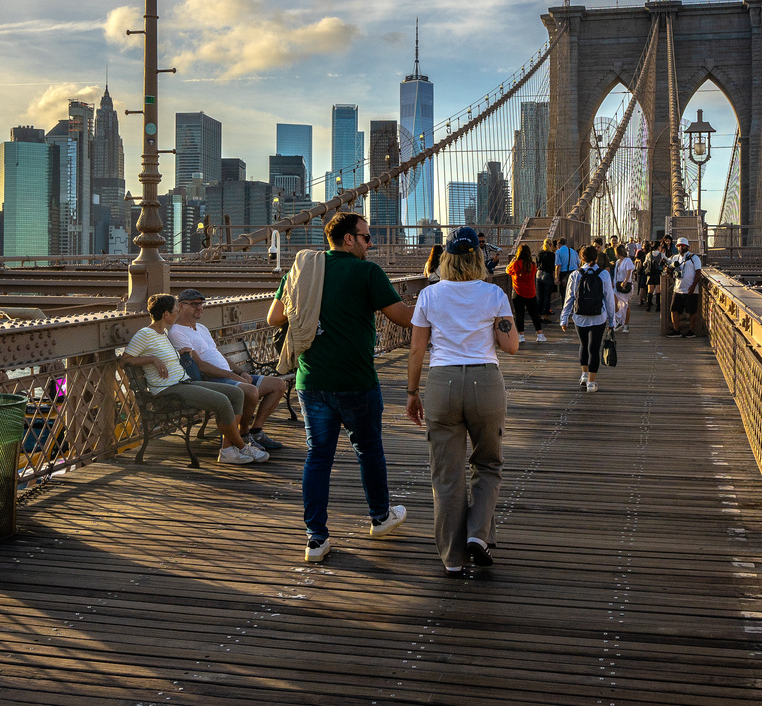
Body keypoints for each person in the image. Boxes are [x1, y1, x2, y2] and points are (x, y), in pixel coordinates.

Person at [268, 211, 415, 563]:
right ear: (349, 239)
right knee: (369, 450)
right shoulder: (367, 272)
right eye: (366, 237)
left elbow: (274, 318)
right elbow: (405, 319)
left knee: (318, 458)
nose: (370, 243)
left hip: (311, 381)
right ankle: (380, 518)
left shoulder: (301, 271)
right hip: (357, 381)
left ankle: (315, 539)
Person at [405, 226, 518, 576]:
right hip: (485, 381)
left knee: (447, 473)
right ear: (479, 258)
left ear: (446, 259)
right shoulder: (494, 294)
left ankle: (453, 558)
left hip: (443, 383)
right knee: (487, 464)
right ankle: (478, 534)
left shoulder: (429, 295)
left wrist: (412, 392)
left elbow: (417, 349)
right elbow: (511, 345)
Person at [121, 293, 267, 465]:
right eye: (175, 310)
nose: (177, 314)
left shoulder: (163, 334)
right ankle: (239, 448)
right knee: (221, 401)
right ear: (166, 314)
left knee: (236, 393)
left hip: (184, 382)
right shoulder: (145, 334)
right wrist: (151, 359)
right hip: (168, 389)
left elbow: (164, 354)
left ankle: (230, 448)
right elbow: (125, 360)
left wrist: (179, 353)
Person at [169, 288, 288, 452]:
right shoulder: (177, 332)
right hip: (212, 380)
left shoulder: (201, 328)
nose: (200, 308)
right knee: (251, 391)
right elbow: (201, 366)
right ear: (181, 306)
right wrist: (234, 376)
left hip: (229, 375)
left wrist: (241, 372)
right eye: (194, 304)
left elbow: (218, 355)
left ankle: (256, 430)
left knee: (278, 384)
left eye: (201, 304)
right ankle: (244, 433)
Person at [558, 243, 615, 392]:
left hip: (579, 316)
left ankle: (584, 375)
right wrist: (612, 320)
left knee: (583, 345)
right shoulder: (603, 274)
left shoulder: (575, 274)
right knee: (594, 348)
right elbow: (609, 299)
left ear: (581, 258)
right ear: (596, 258)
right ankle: (591, 383)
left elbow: (569, 298)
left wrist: (564, 318)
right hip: (599, 317)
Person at [505, 243, 545, 341]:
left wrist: (512, 261)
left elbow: (507, 270)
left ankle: (521, 335)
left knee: (519, 314)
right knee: (534, 314)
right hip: (530, 292)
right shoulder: (533, 265)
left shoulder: (516, 265)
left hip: (517, 292)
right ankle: (539, 335)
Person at [670, 237, 704, 338]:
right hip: (678, 289)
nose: (680, 247)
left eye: (683, 245)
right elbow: (670, 268)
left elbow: (698, 272)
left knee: (692, 311)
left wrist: (693, 286)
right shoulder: (675, 258)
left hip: (691, 290)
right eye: (679, 246)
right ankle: (677, 331)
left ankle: (691, 331)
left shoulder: (694, 258)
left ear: (687, 247)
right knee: (674, 310)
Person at [611, 244, 636, 333]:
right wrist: (614, 283)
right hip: (617, 285)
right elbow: (616, 273)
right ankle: (618, 319)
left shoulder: (627, 260)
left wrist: (625, 282)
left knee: (626, 305)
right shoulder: (618, 262)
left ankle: (626, 324)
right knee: (614, 301)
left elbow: (629, 271)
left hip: (626, 286)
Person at [535, 238, 557, 322]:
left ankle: (539, 315)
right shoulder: (552, 255)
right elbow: (553, 267)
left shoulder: (539, 254)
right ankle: (546, 316)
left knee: (540, 296)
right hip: (548, 275)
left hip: (539, 274)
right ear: (550, 245)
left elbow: (537, 264)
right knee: (547, 296)